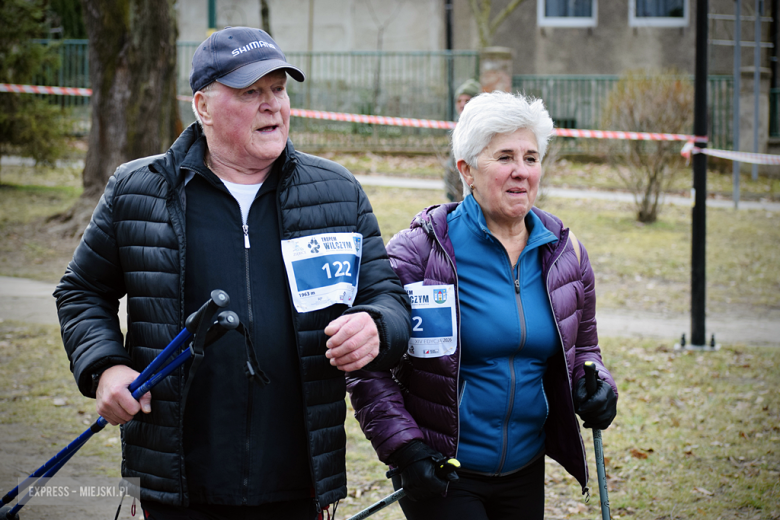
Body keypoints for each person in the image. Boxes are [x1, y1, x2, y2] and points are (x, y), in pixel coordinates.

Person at [54, 27, 410, 520]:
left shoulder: (336, 191)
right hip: (175, 479)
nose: (272, 105)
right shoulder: (138, 190)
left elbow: (387, 297)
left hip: (298, 478)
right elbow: (82, 291)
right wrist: (104, 367)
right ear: (202, 106)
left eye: (278, 89)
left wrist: (376, 325)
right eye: (250, 92)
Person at [347, 91, 618, 520]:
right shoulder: (420, 254)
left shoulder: (565, 255)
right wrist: (405, 449)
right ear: (467, 171)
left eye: (531, 158)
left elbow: (585, 350)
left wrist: (600, 386)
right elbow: (367, 367)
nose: (521, 171)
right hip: (442, 470)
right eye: (505, 157)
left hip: (525, 468)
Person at [443, 78, 481, 202]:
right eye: (459, 101)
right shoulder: (458, 125)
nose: (462, 104)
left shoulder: (481, 128)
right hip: (456, 187)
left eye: (467, 100)